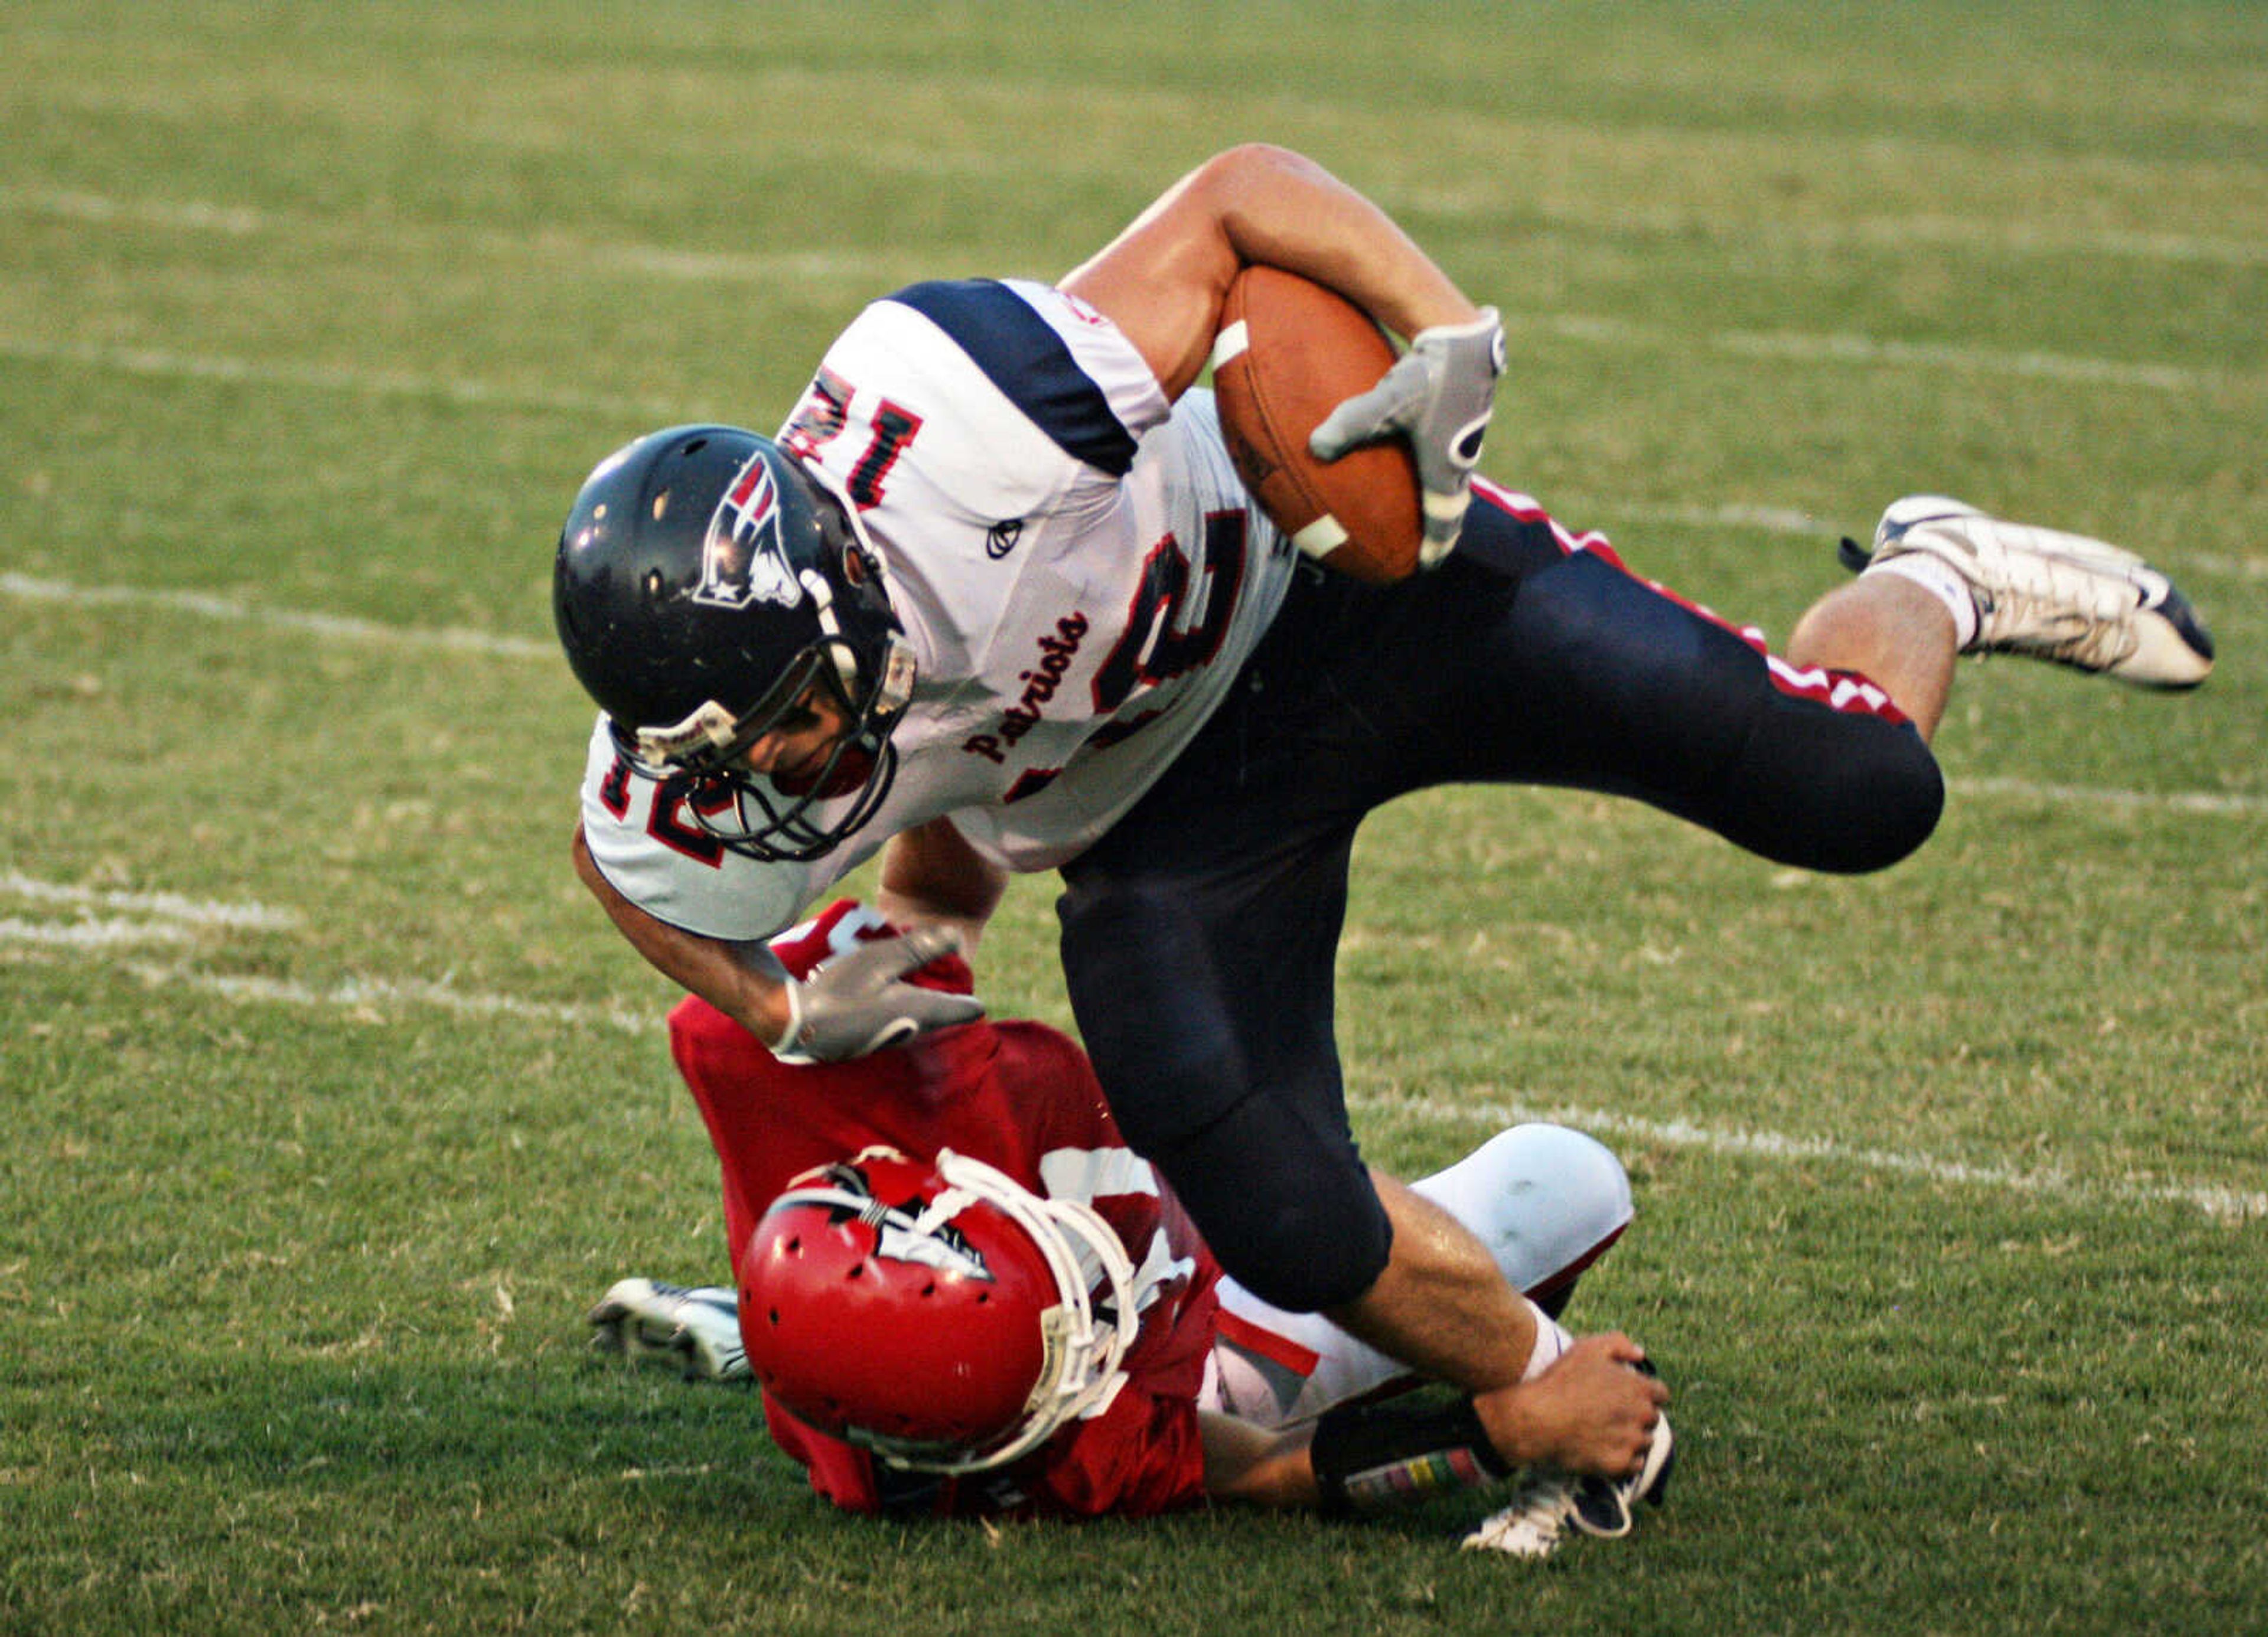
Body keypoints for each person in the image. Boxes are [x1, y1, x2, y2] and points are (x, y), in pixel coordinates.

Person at [553, 144, 2213, 1481]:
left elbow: (1234, 198)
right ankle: (1537, 1377)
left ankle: (1937, 568)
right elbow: (622, 859)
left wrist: (1440, 335)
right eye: (729, 755)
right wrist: (775, 997)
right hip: (1166, 821)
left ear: (834, 588)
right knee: (1281, 1216)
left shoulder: (970, 422)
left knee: (1861, 793)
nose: (769, 773)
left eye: (785, 723)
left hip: (1356, 596)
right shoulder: (706, 754)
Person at [587, 898, 1670, 1557]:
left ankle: (772, 1332)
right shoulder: (1072, 1447)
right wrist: (1495, 1437)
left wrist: (788, 1001)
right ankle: (773, 1338)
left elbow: (730, 1005)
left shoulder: (802, 1098)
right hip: (1211, 1330)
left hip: (844, 1279)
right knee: (1570, 1179)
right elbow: (1261, 1469)